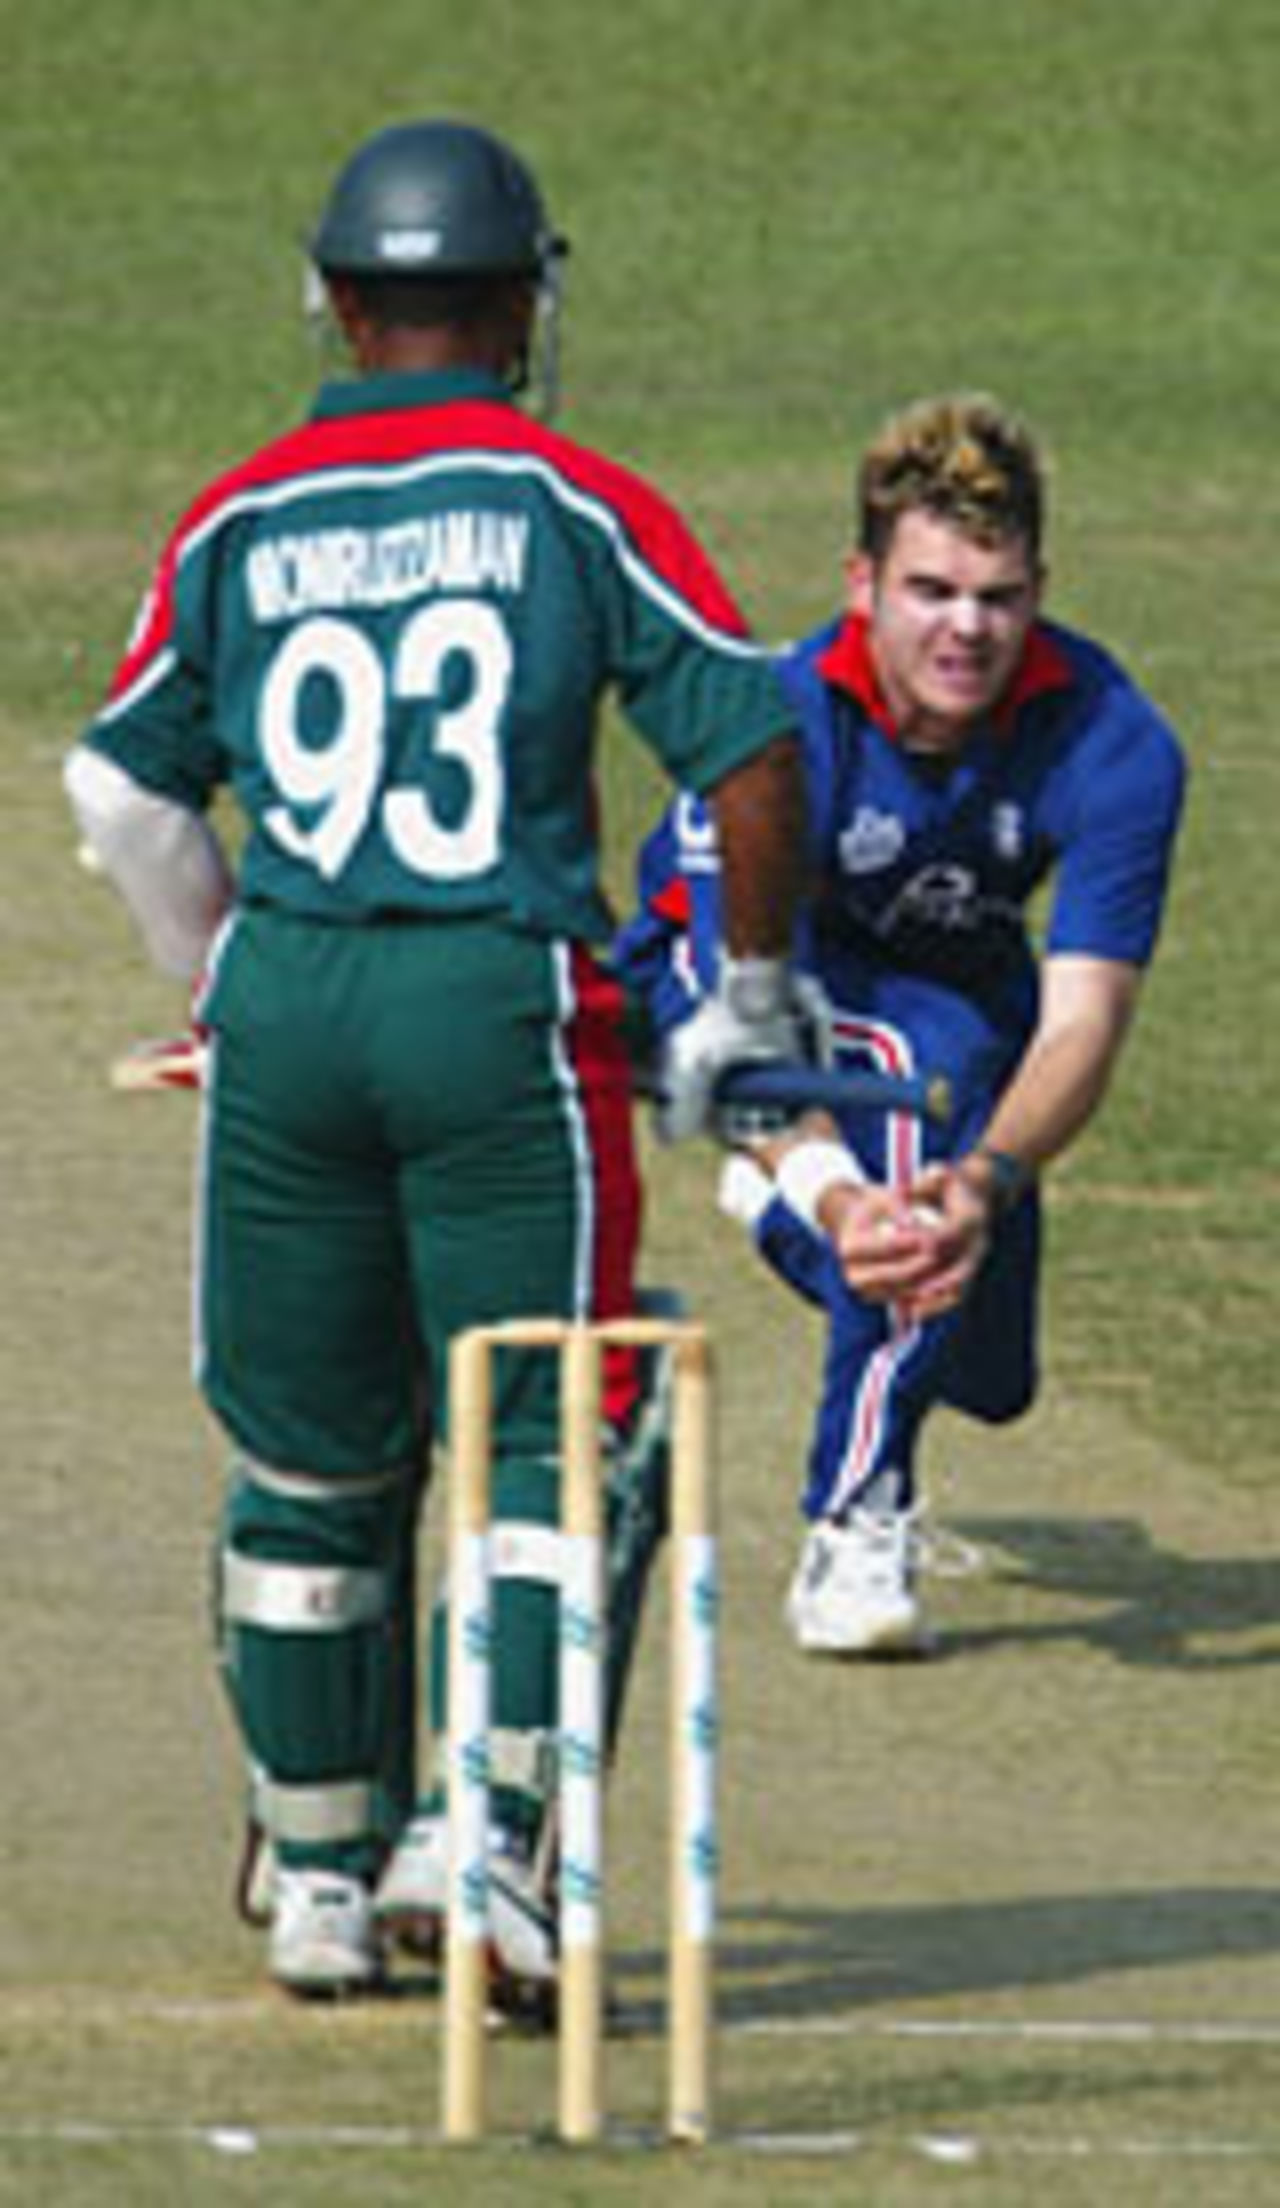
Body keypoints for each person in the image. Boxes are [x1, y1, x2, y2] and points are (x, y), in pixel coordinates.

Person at [63, 117, 810, 2000]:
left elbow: (118, 783)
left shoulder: (237, 514)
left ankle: (318, 1873)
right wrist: (752, 995)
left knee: (311, 1450)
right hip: (500, 1004)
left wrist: (229, 971)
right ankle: (485, 1850)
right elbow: (752, 743)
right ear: (522, 297)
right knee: (557, 1423)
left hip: (294, 1008)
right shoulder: (574, 498)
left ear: (330, 298)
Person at [616, 392, 1187, 1659]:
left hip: (945, 989)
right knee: (898, 1216)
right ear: (860, 582)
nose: (964, 628)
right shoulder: (771, 727)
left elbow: (1083, 1014)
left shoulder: (1113, 738)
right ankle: (854, 1521)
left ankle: (797, 1215)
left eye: (997, 595)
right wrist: (835, 1191)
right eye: (929, 591)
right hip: (715, 989)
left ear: (1039, 587)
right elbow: (737, 1022)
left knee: (988, 1372)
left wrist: (988, 1178)